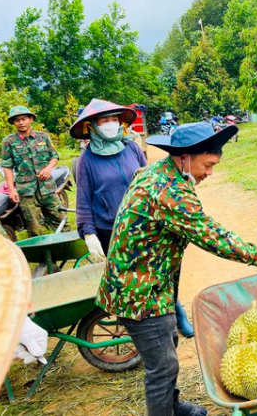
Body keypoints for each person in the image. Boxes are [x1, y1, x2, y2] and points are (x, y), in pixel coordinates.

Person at [95, 122, 257, 416]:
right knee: (162, 367)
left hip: (152, 282)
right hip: (138, 291)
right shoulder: (169, 190)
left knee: (168, 344)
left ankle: (172, 405)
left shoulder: (160, 172)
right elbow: (213, 236)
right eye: (208, 164)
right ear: (185, 157)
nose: (210, 173)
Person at [71, 98, 194, 338]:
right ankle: (148, 326)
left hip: (146, 223)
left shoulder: (132, 148)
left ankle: (176, 310)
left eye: (114, 119)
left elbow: (151, 179)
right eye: (104, 120)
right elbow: (83, 200)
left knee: (162, 271)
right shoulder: (86, 161)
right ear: (93, 126)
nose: (110, 124)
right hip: (112, 230)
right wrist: (88, 232)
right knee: (133, 280)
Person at [0, 105, 69, 237]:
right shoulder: (8, 142)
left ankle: (68, 251)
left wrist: (48, 169)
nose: (21, 122)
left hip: (47, 188)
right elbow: (7, 167)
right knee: (34, 229)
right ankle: (44, 257)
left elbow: (54, 156)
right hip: (26, 192)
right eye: (17, 120)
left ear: (31, 119)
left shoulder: (43, 137)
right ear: (13, 123)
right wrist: (12, 190)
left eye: (24, 119)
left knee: (61, 221)